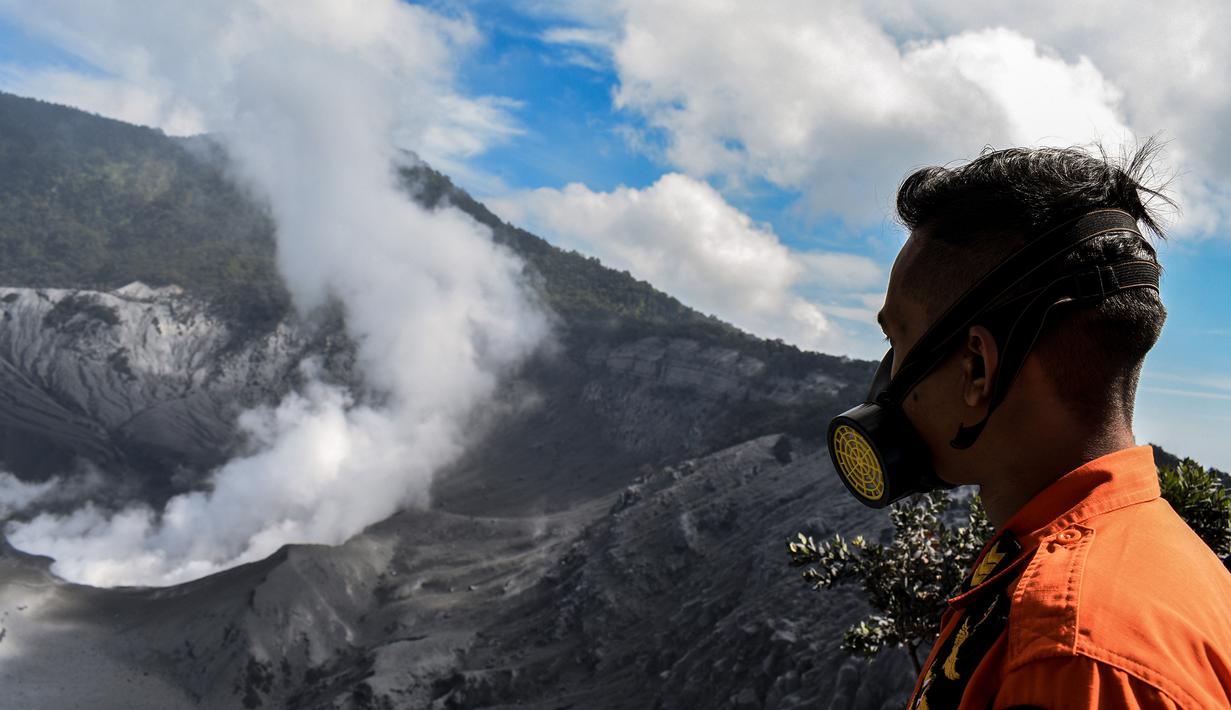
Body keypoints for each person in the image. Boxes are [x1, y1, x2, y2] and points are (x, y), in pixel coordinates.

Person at [827, 144, 1231, 708]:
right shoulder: (1157, 554)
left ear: (977, 368)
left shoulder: (1069, 657)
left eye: (896, 340)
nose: (889, 375)